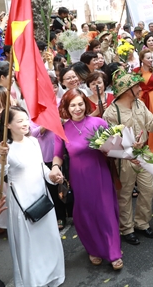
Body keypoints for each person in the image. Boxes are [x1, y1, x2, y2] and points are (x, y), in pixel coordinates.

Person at [50, 89, 123, 269]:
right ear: (66, 107)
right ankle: (94, 248)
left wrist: (120, 145)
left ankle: (114, 253)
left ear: (86, 103)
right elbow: (57, 155)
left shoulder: (99, 122)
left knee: (106, 211)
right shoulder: (62, 129)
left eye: (80, 104)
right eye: (73, 105)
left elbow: (115, 147)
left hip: (100, 174)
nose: (77, 108)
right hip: (79, 178)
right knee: (86, 215)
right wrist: (54, 168)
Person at [0, 106, 65, 286]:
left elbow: (42, 168)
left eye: (26, 119)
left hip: (42, 197)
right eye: (19, 121)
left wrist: (52, 175)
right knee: (29, 245)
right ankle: (33, 281)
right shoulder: (5, 148)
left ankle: (53, 275)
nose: (25, 123)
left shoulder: (33, 141)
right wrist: (2, 159)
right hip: (22, 203)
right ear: (8, 125)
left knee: (48, 238)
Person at [102, 69, 153, 246]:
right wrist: (126, 150)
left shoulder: (140, 104)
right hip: (124, 158)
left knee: (148, 189)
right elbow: (108, 141)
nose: (140, 88)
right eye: (136, 86)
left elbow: (151, 123)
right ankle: (127, 229)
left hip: (144, 154)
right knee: (124, 194)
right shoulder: (111, 113)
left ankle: (142, 223)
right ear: (126, 90)